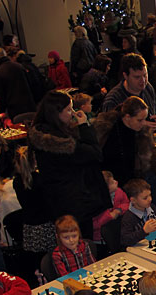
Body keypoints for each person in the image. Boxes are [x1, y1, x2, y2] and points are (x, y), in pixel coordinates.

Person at [28, 90, 110, 239]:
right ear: (56, 113)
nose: (72, 113)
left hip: (59, 200)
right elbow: (95, 154)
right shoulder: (62, 144)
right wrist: (84, 126)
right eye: (68, 109)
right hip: (75, 202)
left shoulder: (41, 136)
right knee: (80, 242)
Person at [94, 96, 156, 202]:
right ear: (127, 117)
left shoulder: (142, 134)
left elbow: (155, 160)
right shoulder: (105, 129)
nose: (143, 123)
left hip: (131, 185)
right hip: (108, 186)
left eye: (144, 119)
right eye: (139, 120)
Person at [102, 53, 156, 119]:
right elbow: (109, 127)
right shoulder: (113, 100)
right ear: (125, 76)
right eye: (137, 77)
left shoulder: (147, 87)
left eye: (145, 75)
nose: (143, 80)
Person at [120, 178, 156, 247]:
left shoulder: (151, 207)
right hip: (139, 249)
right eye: (145, 198)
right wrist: (144, 231)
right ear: (133, 200)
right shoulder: (128, 217)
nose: (150, 199)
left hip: (154, 242)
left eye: (150, 195)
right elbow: (125, 240)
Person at [0, 47, 36, 120]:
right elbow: (31, 83)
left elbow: (0, 95)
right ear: (5, 54)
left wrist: (2, 109)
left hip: (13, 107)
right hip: (29, 104)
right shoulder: (19, 66)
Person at [93, 171, 128, 243]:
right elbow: (94, 225)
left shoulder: (119, 192)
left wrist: (118, 210)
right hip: (100, 238)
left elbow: (127, 204)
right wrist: (109, 216)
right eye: (112, 182)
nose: (116, 182)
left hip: (116, 231)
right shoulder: (96, 202)